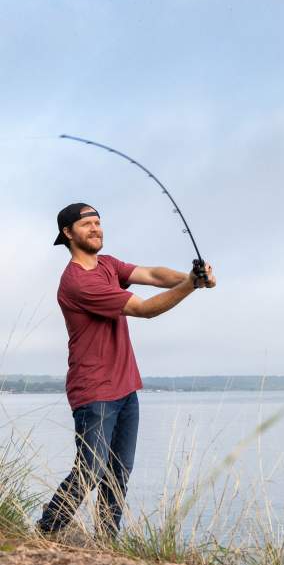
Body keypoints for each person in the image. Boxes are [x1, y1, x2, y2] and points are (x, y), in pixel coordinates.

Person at [37, 202, 215, 539]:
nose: (96, 229)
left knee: (118, 473)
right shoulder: (77, 282)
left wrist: (192, 277)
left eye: (99, 223)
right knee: (90, 470)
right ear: (67, 233)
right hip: (95, 391)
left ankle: (107, 542)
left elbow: (151, 275)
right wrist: (191, 287)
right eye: (87, 224)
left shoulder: (107, 265)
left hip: (124, 387)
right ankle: (47, 529)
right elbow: (144, 309)